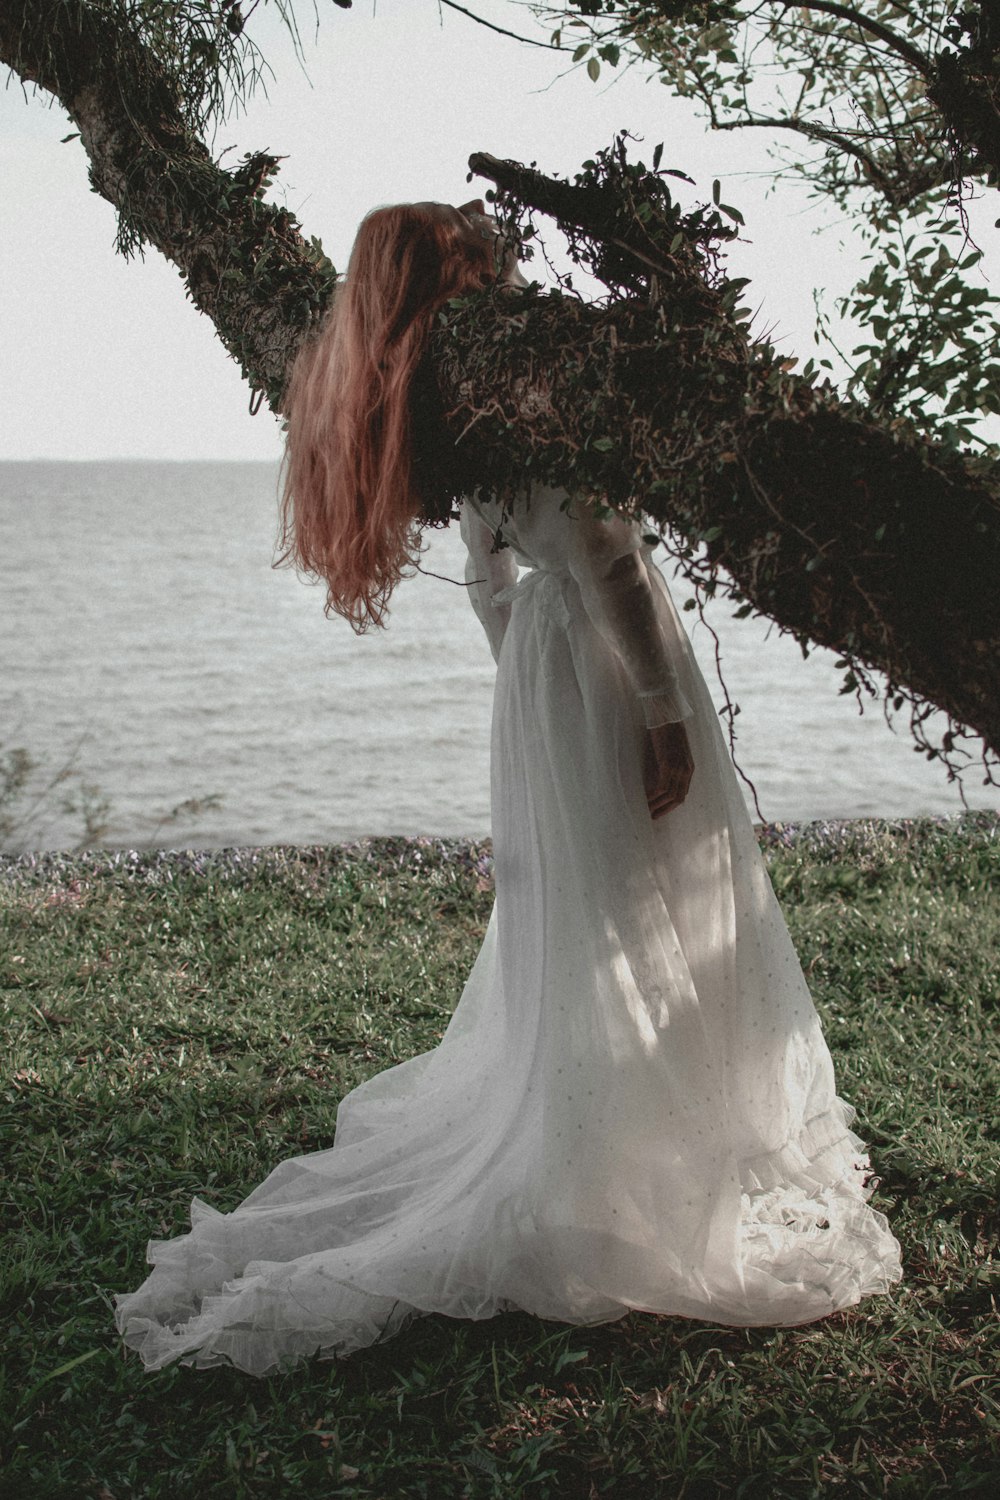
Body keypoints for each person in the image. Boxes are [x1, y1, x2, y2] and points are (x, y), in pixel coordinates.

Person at [115, 199, 902, 1375]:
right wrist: (655, 718)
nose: (505, 272)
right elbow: (613, 563)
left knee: (589, 903)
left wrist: (527, 714)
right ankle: (650, 1143)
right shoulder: (523, 391)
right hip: (601, 660)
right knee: (660, 887)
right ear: (463, 271)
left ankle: (624, 1117)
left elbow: (491, 583)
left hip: (537, 675)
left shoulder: (439, 400)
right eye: (486, 258)